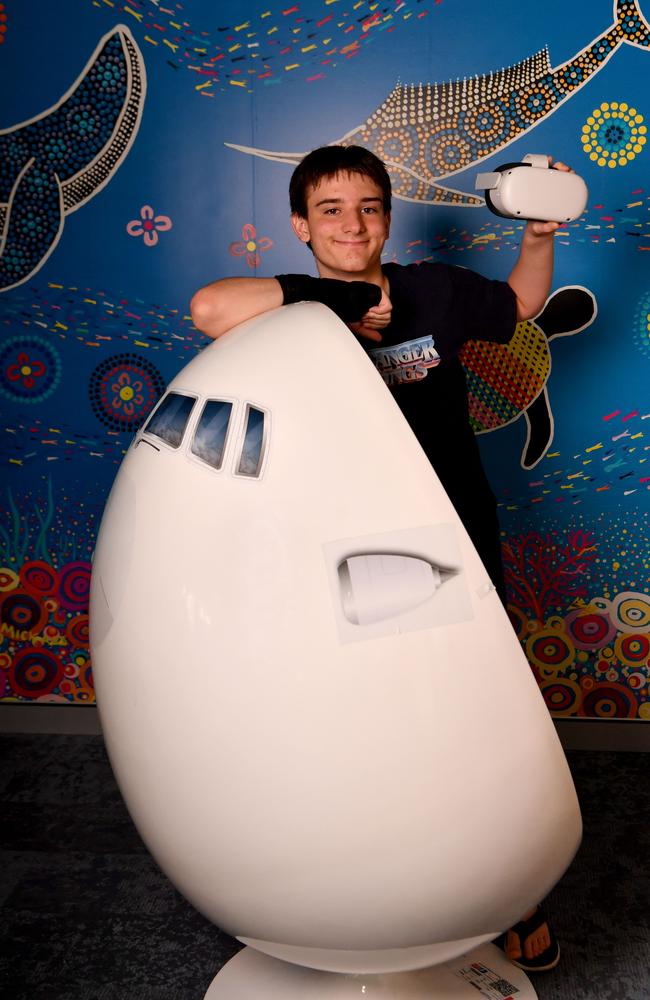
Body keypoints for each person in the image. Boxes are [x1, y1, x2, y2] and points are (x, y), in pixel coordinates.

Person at [190, 143, 567, 972]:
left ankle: (510, 887)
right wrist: (337, 298)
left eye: (367, 207)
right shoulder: (293, 308)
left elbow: (519, 305)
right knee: (360, 712)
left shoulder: (433, 287)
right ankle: (348, 871)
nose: (351, 223)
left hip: (450, 535)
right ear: (301, 225)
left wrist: (539, 236)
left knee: (473, 704)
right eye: (330, 210)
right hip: (334, 546)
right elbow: (211, 308)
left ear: (387, 218)